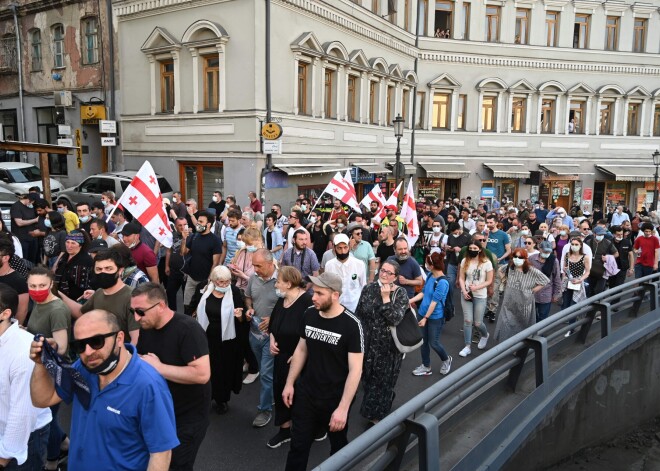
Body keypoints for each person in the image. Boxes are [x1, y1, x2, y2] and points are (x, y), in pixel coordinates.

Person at [29, 310, 179, 470]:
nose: (88, 352)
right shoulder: (83, 368)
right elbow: (43, 400)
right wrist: (40, 363)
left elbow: (161, 453)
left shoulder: (148, 385)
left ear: (119, 338)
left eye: (96, 341)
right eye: (80, 345)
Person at [283, 272, 364, 471]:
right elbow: (301, 349)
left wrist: (343, 409)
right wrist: (289, 383)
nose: (313, 297)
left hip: (335, 398)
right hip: (307, 393)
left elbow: (356, 370)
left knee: (338, 447)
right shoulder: (309, 314)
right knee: (298, 446)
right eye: (313, 292)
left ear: (335, 295)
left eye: (319, 293)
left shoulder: (352, 325)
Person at [133, 283, 211, 471]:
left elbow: (202, 374)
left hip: (186, 419)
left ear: (160, 306)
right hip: (159, 412)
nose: (136, 318)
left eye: (140, 311)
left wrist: (159, 368)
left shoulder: (188, 329)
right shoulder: (147, 326)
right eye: (133, 311)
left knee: (177, 465)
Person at [0, 283, 52, 470]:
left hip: (25, 439)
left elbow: (22, 412)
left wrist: (4, 457)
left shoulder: (24, 351)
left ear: (5, 314)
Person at [25, 267, 71, 471]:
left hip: (53, 372)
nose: (37, 290)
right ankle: (64, 443)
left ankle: (52, 461)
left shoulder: (57, 309)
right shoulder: (38, 302)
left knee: (47, 419)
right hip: (41, 366)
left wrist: (45, 342)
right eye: (32, 286)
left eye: (42, 285)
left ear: (51, 284)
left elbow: (61, 347)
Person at [355, 259, 407, 424]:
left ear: (395, 277)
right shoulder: (369, 288)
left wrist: (386, 299)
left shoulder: (400, 294)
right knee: (368, 379)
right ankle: (383, 402)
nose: (383, 274)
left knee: (381, 383)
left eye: (388, 272)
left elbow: (395, 319)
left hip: (388, 348)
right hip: (368, 344)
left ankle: (375, 420)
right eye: (382, 270)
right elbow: (359, 314)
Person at [267, 267, 313, 448]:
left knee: (300, 398)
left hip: (299, 361)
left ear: (288, 283)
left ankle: (305, 431)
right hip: (280, 358)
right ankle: (285, 430)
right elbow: (273, 324)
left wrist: (298, 355)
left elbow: (312, 333)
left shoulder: (307, 303)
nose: (276, 284)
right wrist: (272, 339)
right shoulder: (282, 300)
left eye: (278, 281)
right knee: (280, 393)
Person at [61, 249, 140, 344]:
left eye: (108, 268)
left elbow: (135, 339)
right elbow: (81, 312)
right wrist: (59, 295)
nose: (103, 272)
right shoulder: (99, 293)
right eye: (99, 269)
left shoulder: (132, 298)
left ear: (120, 270)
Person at [196, 266, 246, 415]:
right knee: (206, 368)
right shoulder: (204, 290)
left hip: (226, 340)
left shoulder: (235, 292)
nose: (225, 285)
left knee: (223, 370)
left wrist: (239, 316)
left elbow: (242, 318)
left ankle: (221, 399)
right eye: (222, 282)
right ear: (213, 280)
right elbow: (194, 307)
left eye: (228, 281)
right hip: (206, 337)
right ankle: (206, 397)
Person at [245, 249, 279, 428]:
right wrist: (249, 308)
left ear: (270, 263)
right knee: (266, 373)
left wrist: (273, 318)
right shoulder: (253, 278)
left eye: (258, 265)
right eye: (254, 265)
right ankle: (272, 396)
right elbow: (248, 297)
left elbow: (290, 305)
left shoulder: (283, 280)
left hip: (272, 338)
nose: (255, 269)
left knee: (265, 374)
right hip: (254, 335)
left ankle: (264, 409)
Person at [494, 249, 550, 343]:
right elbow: (500, 270)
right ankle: (505, 344)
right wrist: (504, 280)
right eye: (515, 256)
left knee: (521, 324)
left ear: (525, 258)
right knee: (506, 322)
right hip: (509, 299)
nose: (516, 259)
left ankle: (519, 346)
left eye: (519, 257)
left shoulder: (531, 270)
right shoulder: (510, 266)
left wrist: (533, 290)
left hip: (524, 301)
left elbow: (545, 280)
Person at [457, 240, 494, 357]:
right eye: (470, 248)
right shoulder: (464, 261)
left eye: (475, 248)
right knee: (468, 321)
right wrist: (463, 290)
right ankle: (467, 346)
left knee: (478, 323)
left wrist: (477, 287)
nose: (472, 250)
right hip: (467, 294)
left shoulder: (487, 263)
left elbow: (489, 280)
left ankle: (485, 335)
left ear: (480, 250)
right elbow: (461, 278)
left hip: (480, 295)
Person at [181, 211, 222, 314]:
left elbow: (215, 263)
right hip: (191, 278)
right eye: (198, 221)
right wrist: (184, 239)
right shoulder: (194, 237)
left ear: (208, 224)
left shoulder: (215, 241)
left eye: (200, 221)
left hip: (205, 281)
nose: (197, 224)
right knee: (187, 306)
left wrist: (209, 282)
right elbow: (183, 252)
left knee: (201, 309)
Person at [324, 234, 366, 313]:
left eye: (345, 247)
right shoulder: (329, 265)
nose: (343, 251)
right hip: (336, 307)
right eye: (339, 248)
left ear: (349, 247)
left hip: (355, 307)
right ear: (334, 247)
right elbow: (328, 287)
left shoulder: (359, 264)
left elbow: (363, 286)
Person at [54, 230, 93, 304]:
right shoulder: (65, 257)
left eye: (73, 243)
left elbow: (85, 286)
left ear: (80, 245)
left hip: (76, 302)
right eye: (67, 242)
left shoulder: (86, 261)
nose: (69, 246)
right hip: (60, 298)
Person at [485, 215, 512, 322]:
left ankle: (493, 311)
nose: (489, 224)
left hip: (499, 265)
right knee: (487, 287)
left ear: (496, 223)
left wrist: (501, 258)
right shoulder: (486, 233)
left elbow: (509, 250)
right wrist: (486, 236)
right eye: (488, 222)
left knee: (495, 288)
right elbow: (483, 247)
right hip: (487, 264)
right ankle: (488, 309)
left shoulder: (503, 235)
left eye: (491, 222)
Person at [528, 241, 562, 322]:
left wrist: (556, 294)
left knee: (543, 317)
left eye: (549, 252)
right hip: (532, 292)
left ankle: (540, 334)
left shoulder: (554, 261)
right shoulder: (532, 258)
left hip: (546, 293)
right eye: (545, 251)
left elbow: (556, 278)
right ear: (540, 249)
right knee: (531, 316)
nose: (547, 253)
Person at [586, 226, 618, 296]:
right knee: (590, 288)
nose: (601, 236)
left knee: (599, 290)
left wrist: (608, 257)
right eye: (599, 235)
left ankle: (599, 302)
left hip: (603, 269)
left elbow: (616, 254)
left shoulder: (608, 242)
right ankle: (591, 304)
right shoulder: (589, 242)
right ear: (594, 234)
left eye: (602, 235)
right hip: (590, 268)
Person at [229, 227, 262, 296]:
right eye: (245, 243)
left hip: (255, 293)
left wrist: (243, 276)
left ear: (258, 240)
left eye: (249, 244)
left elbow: (262, 282)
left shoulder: (264, 256)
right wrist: (233, 269)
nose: (246, 246)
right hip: (239, 290)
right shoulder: (242, 251)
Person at [10, 194, 39, 263]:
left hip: (32, 237)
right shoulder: (16, 207)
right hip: (22, 239)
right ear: (28, 200)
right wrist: (35, 220)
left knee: (32, 260)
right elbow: (19, 223)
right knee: (23, 261)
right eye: (32, 202)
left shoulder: (31, 207)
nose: (32, 204)